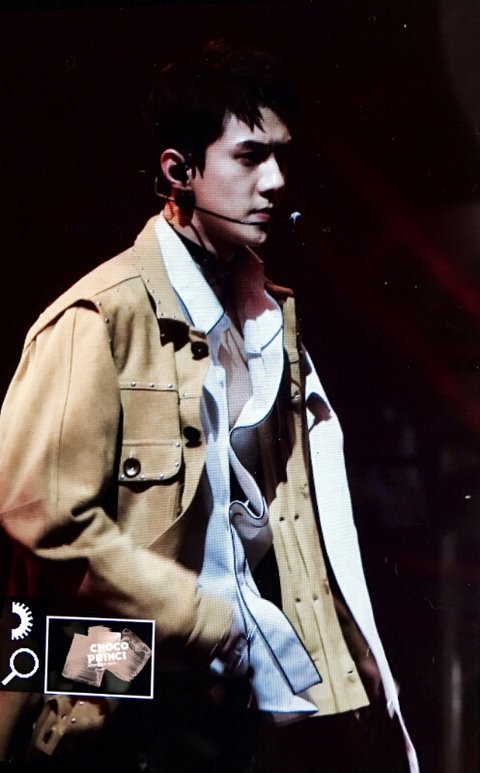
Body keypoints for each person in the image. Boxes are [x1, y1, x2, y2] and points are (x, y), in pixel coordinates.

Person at [0, 40, 418, 772]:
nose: (276, 181)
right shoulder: (100, 317)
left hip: (242, 706)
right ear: (178, 172)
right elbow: (45, 518)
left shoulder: (271, 324)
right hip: (119, 692)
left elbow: (296, 529)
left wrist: (348, 662)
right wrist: (201, 628)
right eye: (249, 157)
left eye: (281, 156)